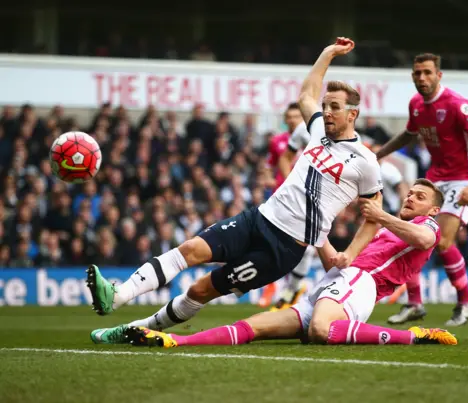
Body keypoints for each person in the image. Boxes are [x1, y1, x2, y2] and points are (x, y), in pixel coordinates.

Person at [89, 37, 385, 343]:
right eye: (326, 105)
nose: (326, 111)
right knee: (190, 249)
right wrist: (327, 54)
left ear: (353, 114)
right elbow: (306, 93)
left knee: (200, 290)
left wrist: (350, 253)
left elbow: (374, 215)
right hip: (257, 219)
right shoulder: (318, 130)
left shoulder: (365, 161)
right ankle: (118, 294)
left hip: (282, 249)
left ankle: (137, 330)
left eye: (334, 107)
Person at [123, 179, 458, 347]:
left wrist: (381, 215)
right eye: (411, 193)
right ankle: (176, 341)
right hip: (336, 282)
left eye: (420, 196)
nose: (412, 197)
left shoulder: (425, 226)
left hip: (360, 285)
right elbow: (335, 261)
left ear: (432, 210)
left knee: (320, 330)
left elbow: (430, 242)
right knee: (254, 326)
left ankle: (411, 336)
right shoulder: (385, 230)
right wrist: (319, 231)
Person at [376, 53, 468, 326]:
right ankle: (415, 303)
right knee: (410, 234)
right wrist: (379, 154)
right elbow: (408, 133)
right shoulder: (416, 104)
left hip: (461, 179)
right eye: (417, 73)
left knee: (442, 242)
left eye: (427, 72)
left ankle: (466, 302)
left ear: (439, 75)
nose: (422, 78)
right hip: (433, 179)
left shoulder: (457, 105)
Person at [261, 102, 315, 311]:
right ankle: (285, 287)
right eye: (290, 116)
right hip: (281, 198)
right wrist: (268, 178)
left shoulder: (313, 138)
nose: (293, 120)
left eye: (296, 116)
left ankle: (291, 288)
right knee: (276, 242)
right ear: (285, 120)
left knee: (307, 246)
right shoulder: (277, 142)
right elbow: (269, 165)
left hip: (307, 200)